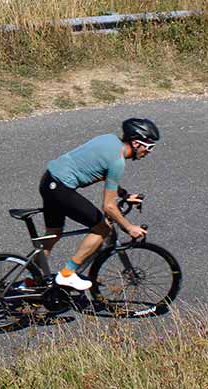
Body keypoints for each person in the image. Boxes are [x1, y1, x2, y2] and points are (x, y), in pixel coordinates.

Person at [38, 117, 159, 291]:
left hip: (49, 181)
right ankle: (67, 274)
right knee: (103, 228)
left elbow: (98, 170)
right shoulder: (117, 162)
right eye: (149, 147)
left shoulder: (109, 140)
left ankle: (32, 278)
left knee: (53, 233)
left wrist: (124, 194)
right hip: (61, 189)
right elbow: (109, 206)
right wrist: (129, 227)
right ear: (136, 143)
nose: (149, 152)